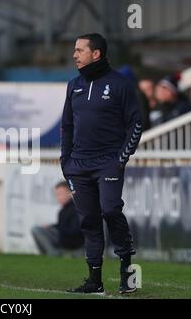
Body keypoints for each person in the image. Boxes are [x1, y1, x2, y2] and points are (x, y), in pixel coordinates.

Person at [61, 33, 142, 294]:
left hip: (108, 162)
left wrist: (121, 159)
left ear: (96, 53)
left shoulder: (120, 84)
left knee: (110, 210)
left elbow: (136, 123)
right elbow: (67, 126)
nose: (74, 55)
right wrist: (66, 161)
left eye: (79, 50)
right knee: (89, 220)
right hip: (78, 165)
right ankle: (94, 281)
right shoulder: (73, 85)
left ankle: (127, 268)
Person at [31, 181, 83, 256]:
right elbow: (63, 226)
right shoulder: (63, 210)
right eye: (56, 195)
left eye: (60, 194)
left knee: (36, 230)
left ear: (70, 193)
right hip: (65, 239)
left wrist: (57, 229)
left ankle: (53, 253)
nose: (58, 197)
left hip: (76, 245)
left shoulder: (77, 209)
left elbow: (75, 231)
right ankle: (49, 254)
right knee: (37, 229)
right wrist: (52, 227)